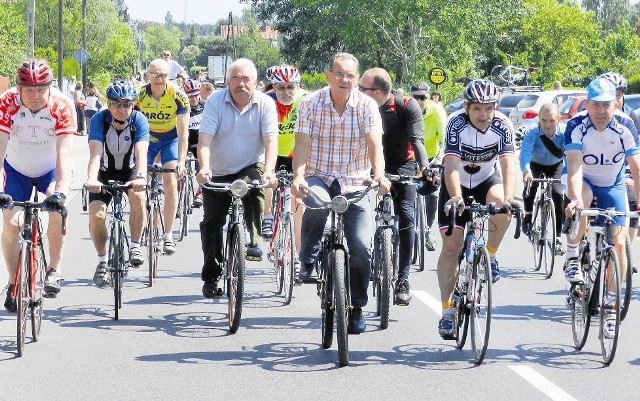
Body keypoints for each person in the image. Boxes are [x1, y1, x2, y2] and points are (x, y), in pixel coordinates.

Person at [291, 52, 390, 334]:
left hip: (355, 181)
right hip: (319, 174)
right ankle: (308, 258)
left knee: (360, 246)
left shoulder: (367, 106)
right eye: (339, 74)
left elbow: (375, 147)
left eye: (350, 75)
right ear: (328, 76)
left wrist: (379, 175)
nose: (344, 80)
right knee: (316, 203)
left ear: (356, 79)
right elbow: (301, 145)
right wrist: (299, 176)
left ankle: (357, 307)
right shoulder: (311, 103)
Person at [436, 79, 517, 339]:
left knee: (503, 206)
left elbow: (507, 166)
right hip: (456, 182)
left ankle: (490, 255)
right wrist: (456, 197)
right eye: (477, 109)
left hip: (485, 180)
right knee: (451, 246)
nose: (484, 115)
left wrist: (510, 197)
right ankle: (448, 312)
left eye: (489, 108)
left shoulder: (503, 125)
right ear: (467, 107)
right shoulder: (455, 123)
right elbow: (450, 166)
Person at [563, 78, 640, 336]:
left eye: (606, 105)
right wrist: (574, 200)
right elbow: (574, 167)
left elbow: (637, 170)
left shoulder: (625, 125)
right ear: (587, 104)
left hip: (612, 184)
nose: (600, 111)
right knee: (582, 202)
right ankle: (573, 254)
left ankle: (609, 304)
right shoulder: (576, 125)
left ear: (614, 105)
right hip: (582, 179)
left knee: (619, 247)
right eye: (595, 105)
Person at [196, 58, 278, 298]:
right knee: (212, 223)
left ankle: (253, 240)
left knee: (255, 181)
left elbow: (271, 141)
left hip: (249, 164)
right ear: (227, 81)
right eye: (235, 78)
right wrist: (205, 168)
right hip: (218, 170)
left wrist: (270, 170)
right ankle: (211, 276)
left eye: (246, 79)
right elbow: (205, 140)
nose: (241, 84)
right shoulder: (214, 102)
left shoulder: (265, 103)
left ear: (256, 83)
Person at [0, 60, 76, 310]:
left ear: (50, 87)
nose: (34, 96)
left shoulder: (62, 105)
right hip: (17, 169)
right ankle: (13, 283)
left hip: (50, 169)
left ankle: (54, 268)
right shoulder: (7, 102)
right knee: (11, 225)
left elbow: (64, 155)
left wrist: (62, 193)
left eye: (40, 89)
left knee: (55, 206)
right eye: (28, 90)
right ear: (19, 88)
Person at [359, 69, 430, 306]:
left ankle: (403, 279)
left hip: (402, 165)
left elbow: (417, 140)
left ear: (376, 93)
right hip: (366, 166)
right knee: (357, 212)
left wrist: (426, 168)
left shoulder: (407, 106)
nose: (358, 92)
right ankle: (363, 260)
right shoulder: (357, 105)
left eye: (363, 88)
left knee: (407, 215)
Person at [85, 81, 150, 287]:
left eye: (127, 104)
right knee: (96, 215)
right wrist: (91, 179)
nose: (122, 109)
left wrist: (140, 176)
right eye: (116, 104)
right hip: (104, 172)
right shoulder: (98, 120)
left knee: (139, 197)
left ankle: (135, 245)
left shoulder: (139, 120)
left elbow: (141, 152)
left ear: (133, 105)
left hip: (130, 170)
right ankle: (102, 260)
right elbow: (95, 153)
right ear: (108, 104)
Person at [135, 58, 190, 255]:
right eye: (155, 74)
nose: (159, 79)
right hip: (147, 140)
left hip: (170, 139)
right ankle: (140, 229)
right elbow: (130, 127)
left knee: (171, 181)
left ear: (169, 76)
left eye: (163, 75)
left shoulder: (178, 96)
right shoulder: (139, 95)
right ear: (147, 74)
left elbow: (184, 134)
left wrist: (182, 162)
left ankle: (167, 235)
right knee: (138, 183)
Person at [260, 64, 308, 268]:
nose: (286, 92)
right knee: (268, 179)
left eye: (291, 87)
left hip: (296, 152)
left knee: (299, 206)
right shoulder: (265, 101)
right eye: (281, 87)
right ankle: (268, 215)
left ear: (298, 86)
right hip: (271, 152)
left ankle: (298, 253)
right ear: (273, 87)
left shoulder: (306, 100)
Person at [599, 72, 640, 253]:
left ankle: (626, 254)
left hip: (623, 171)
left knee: (633, 203)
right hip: (596, 171)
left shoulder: (630, 119)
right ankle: (582, 248)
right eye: (611, 95)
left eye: (619, 95)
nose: (616, 100)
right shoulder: (593, 116)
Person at [520, 103, 565, 253]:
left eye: (552, 121)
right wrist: (526, 171)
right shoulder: (533, 132)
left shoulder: (565, 132)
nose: (547, 125)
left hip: (555, 166)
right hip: (536, 164)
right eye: (543, 120)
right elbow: (525, 152)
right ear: (539, 119)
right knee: (530, 186)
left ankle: (557, 237)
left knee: (558, 194)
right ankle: (527, 216)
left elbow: (571, 155)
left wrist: (569, 177)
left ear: (558, 119)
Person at [411, 82, 447, 251]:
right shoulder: (405, 108)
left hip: (432, 157)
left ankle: (428, 229)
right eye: (414, 97)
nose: (418, 101)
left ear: (428, 97)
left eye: (422, 97)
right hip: (410, 157)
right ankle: (407, 229)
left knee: (433, 193)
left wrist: (442, 156)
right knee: (406, 194)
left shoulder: (437, 111)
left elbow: (445, 137)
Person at [183, 78, 206, 207]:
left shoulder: (205, 106)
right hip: (185, 141)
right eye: (190, 96)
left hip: (199, 142)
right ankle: (179, 191)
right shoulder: (181, 108)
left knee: (201, 168)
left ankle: (200, 193)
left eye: (196, 95)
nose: (194, 99)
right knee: (178, 169)